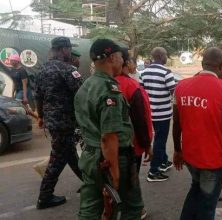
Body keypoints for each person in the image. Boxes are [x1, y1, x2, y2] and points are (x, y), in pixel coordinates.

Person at [173, 47, 222, 220]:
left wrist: (177, 150)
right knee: (208, 204)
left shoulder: (181, 87)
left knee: (196, 189)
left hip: (190, 156)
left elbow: (177, 123)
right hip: (212, 160)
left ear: (202, 64)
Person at [75, 39, 144, 219]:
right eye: (121, 57)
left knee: (90, 208)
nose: (123, 61)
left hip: (90, 156)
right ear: (112, 57)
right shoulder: (109, 90)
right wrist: (114, 170)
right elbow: (108, 136)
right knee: (133, 207)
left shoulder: (86, 86)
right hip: (113, 156)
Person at [35, 37, 83, 209]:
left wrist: (41, 116)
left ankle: (90, 183)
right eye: (69, 48)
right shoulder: (68, 69)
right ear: (63, 49)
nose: (70, 52)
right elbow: (81, 95)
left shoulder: (42, 70)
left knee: (69, 153)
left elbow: (38, 97)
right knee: (57, 158)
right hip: (66, 122)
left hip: (52, 121)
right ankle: (45, 196)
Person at [116, 48, 153, 219]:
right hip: (131, 144)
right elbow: (139, 119)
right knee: (131, 179)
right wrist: (147, 145)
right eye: (132, 61)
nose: (134, 64)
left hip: (110, 144)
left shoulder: (105, 83)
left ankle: (117, 207)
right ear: (125, 63)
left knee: (117, 178)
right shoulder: (131, 86)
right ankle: (133, 210)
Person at [140, 47, 176, 182]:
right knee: (160, 141)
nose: (167, 57)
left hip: (150, 113)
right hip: (163, 114)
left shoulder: (144, 72)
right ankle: (153, 171)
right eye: (166, 55)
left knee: (159, 139)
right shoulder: (166, 72)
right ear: (161, 56)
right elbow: (174, 92)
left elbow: (142, 92)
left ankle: (163, 162)